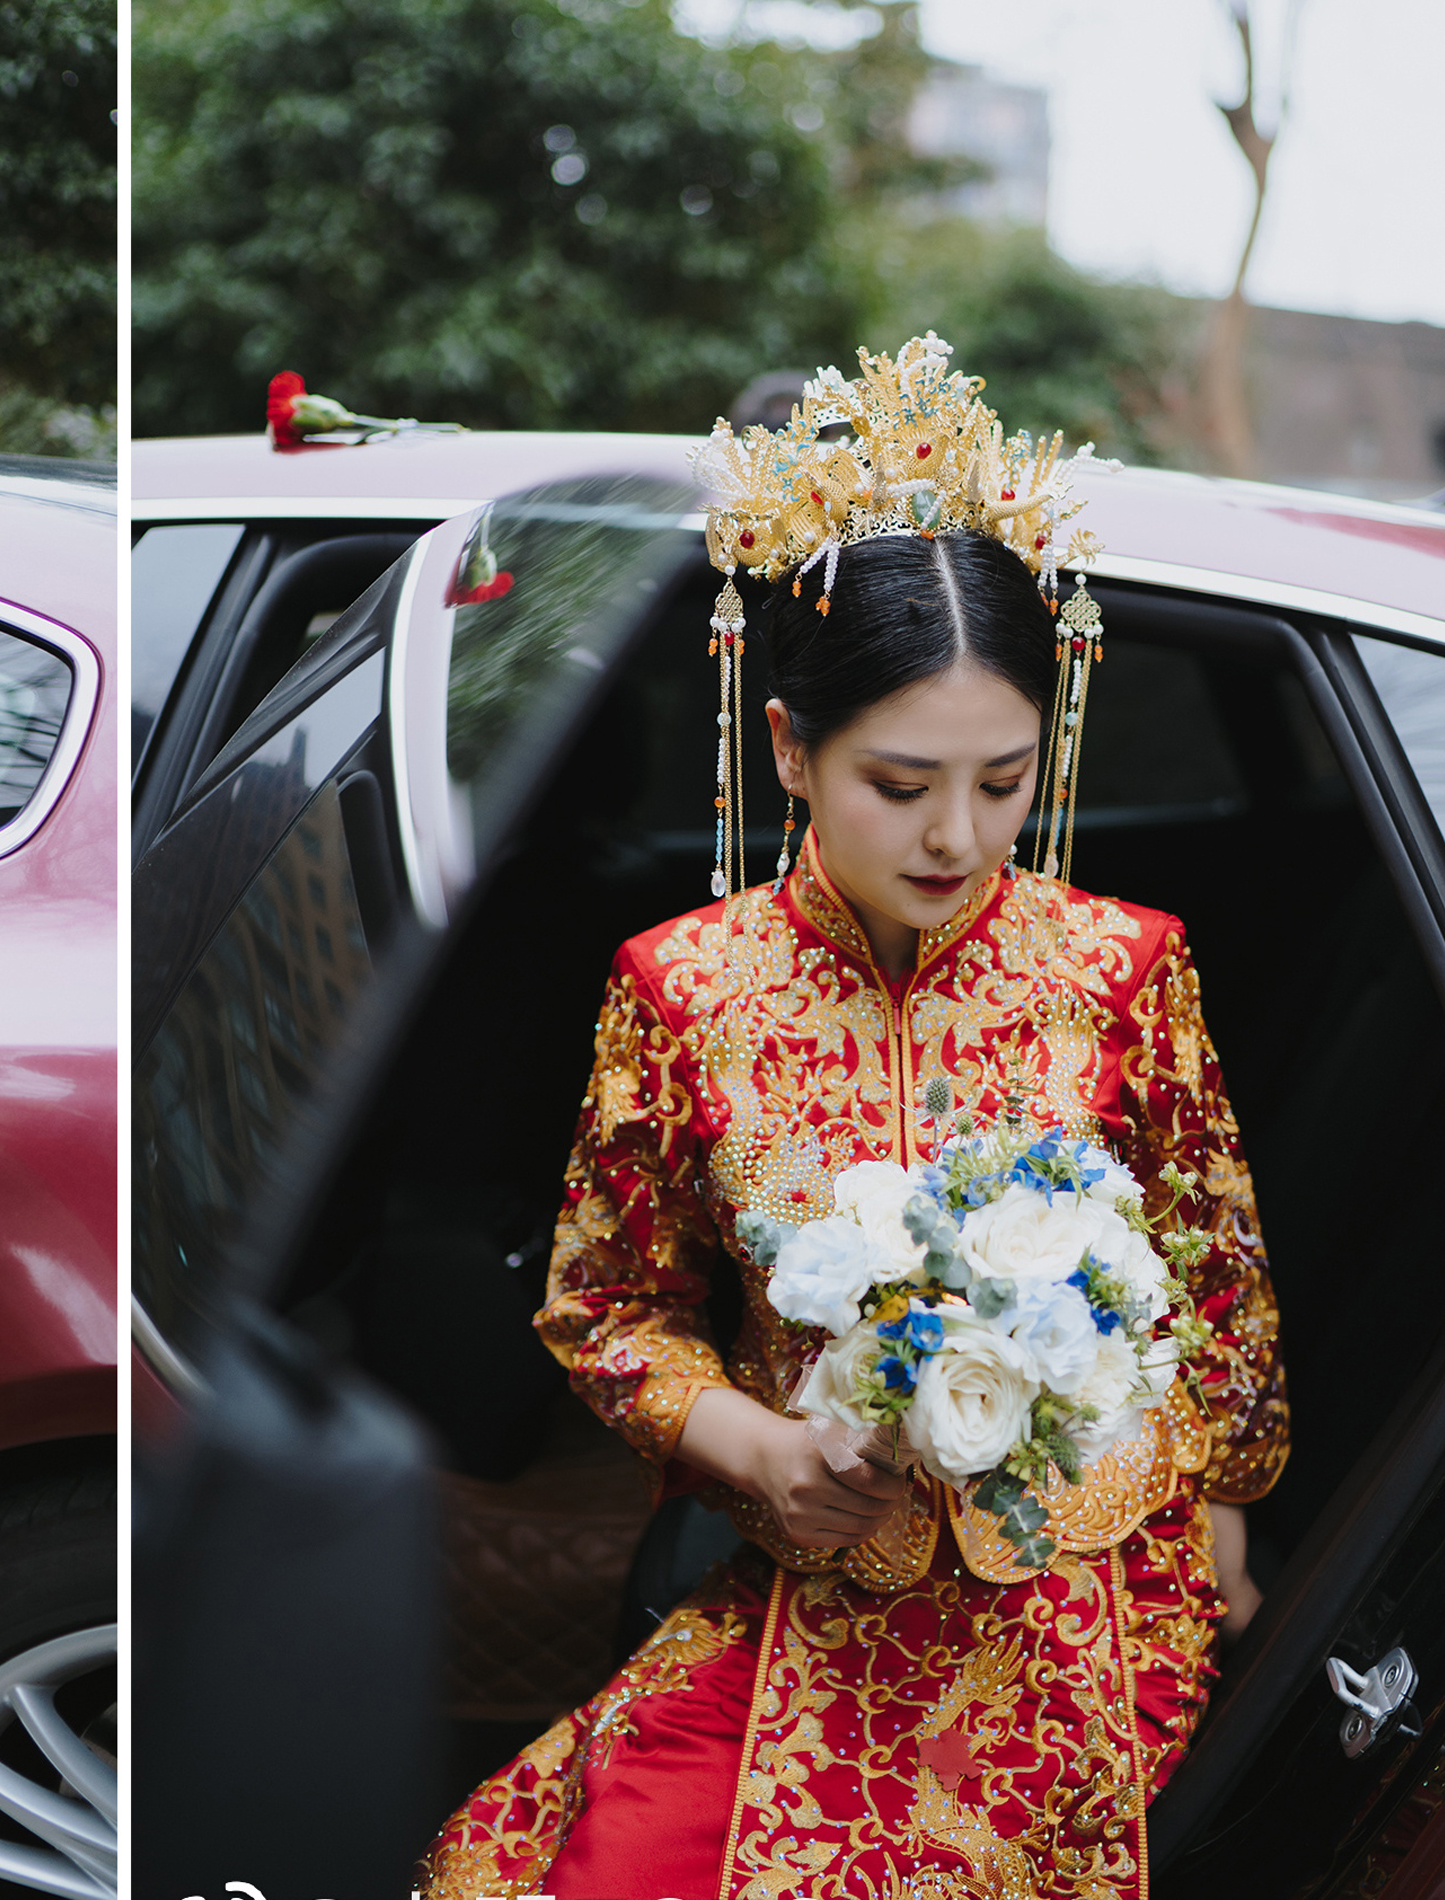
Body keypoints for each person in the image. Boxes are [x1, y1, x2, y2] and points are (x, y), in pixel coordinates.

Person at [420, 340, 1286, 1900]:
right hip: (816, 1573)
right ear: (787, 751)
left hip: (1083, 1591)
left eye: (1002, 782)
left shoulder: (1121, 968)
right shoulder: (681, 989)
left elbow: (1214, 1280)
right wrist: (759, 1446)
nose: (957, 837)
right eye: (898, 783)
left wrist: (1221, 1513)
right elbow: (603, 1311)